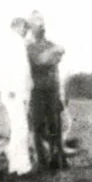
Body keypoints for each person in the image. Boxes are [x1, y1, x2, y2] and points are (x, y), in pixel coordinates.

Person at [26, 11, 67, 169]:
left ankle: (57, 157)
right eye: (37, 23)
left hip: (52, 89)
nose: (41, 26)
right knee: (37, 126)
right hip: (36, 90)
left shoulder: (49, 44)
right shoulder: (29, 47)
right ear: (31, 27)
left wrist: (52, 54)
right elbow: (39, 61)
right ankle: (41, 160)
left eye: (42, 23)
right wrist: (53, 52)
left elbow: (56, 60)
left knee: (54, 124)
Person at [0, 18, 36, 177]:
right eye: (24, 27)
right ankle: (21, 166)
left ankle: (16, 165)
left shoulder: (18, 42)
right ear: (17, 27)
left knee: (19, 129)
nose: (26, 30)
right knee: (21, 128)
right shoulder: (10, 42)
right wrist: (9, 89)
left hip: (20, 93)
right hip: (14, 93)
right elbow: (3, 69)